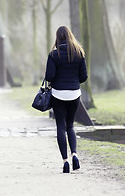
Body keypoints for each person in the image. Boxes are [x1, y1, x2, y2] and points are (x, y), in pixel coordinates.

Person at [45, 25, 88, 173]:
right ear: (70, 35)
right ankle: (75, 155)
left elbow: (49, 76)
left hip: (58, 94)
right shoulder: (79, 53)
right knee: (70, 125)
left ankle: (65, 162)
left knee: (61, 127)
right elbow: (84, 77)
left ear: (57, 37)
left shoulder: (53, 55)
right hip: (74, 94)